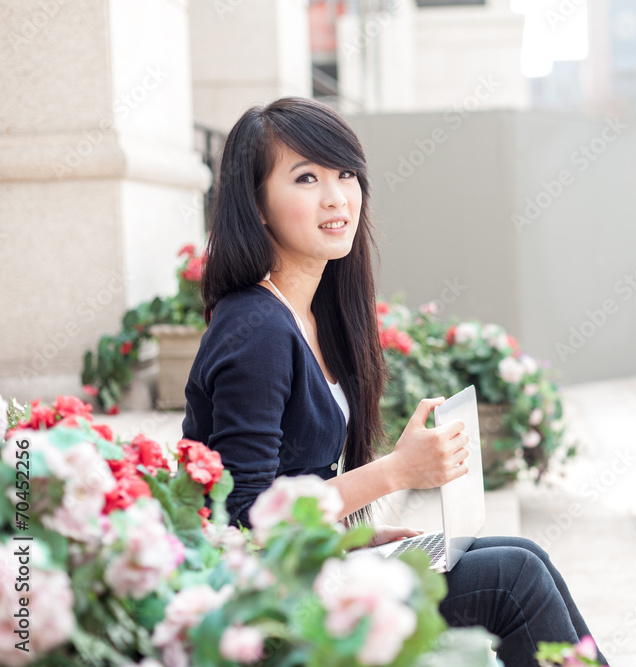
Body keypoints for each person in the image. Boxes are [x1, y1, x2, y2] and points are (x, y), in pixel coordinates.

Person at [181, 96, 609, 667]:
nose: (337, 197)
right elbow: (246, 516)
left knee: (521, 552)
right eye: (306, 178)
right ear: (256, 204)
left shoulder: (311, 313)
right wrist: (397, 471)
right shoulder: (256, 328)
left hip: (316, 565)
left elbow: (291, 487)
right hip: (275, 598)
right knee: (514, 577)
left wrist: (351, 540)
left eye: (345, 174)